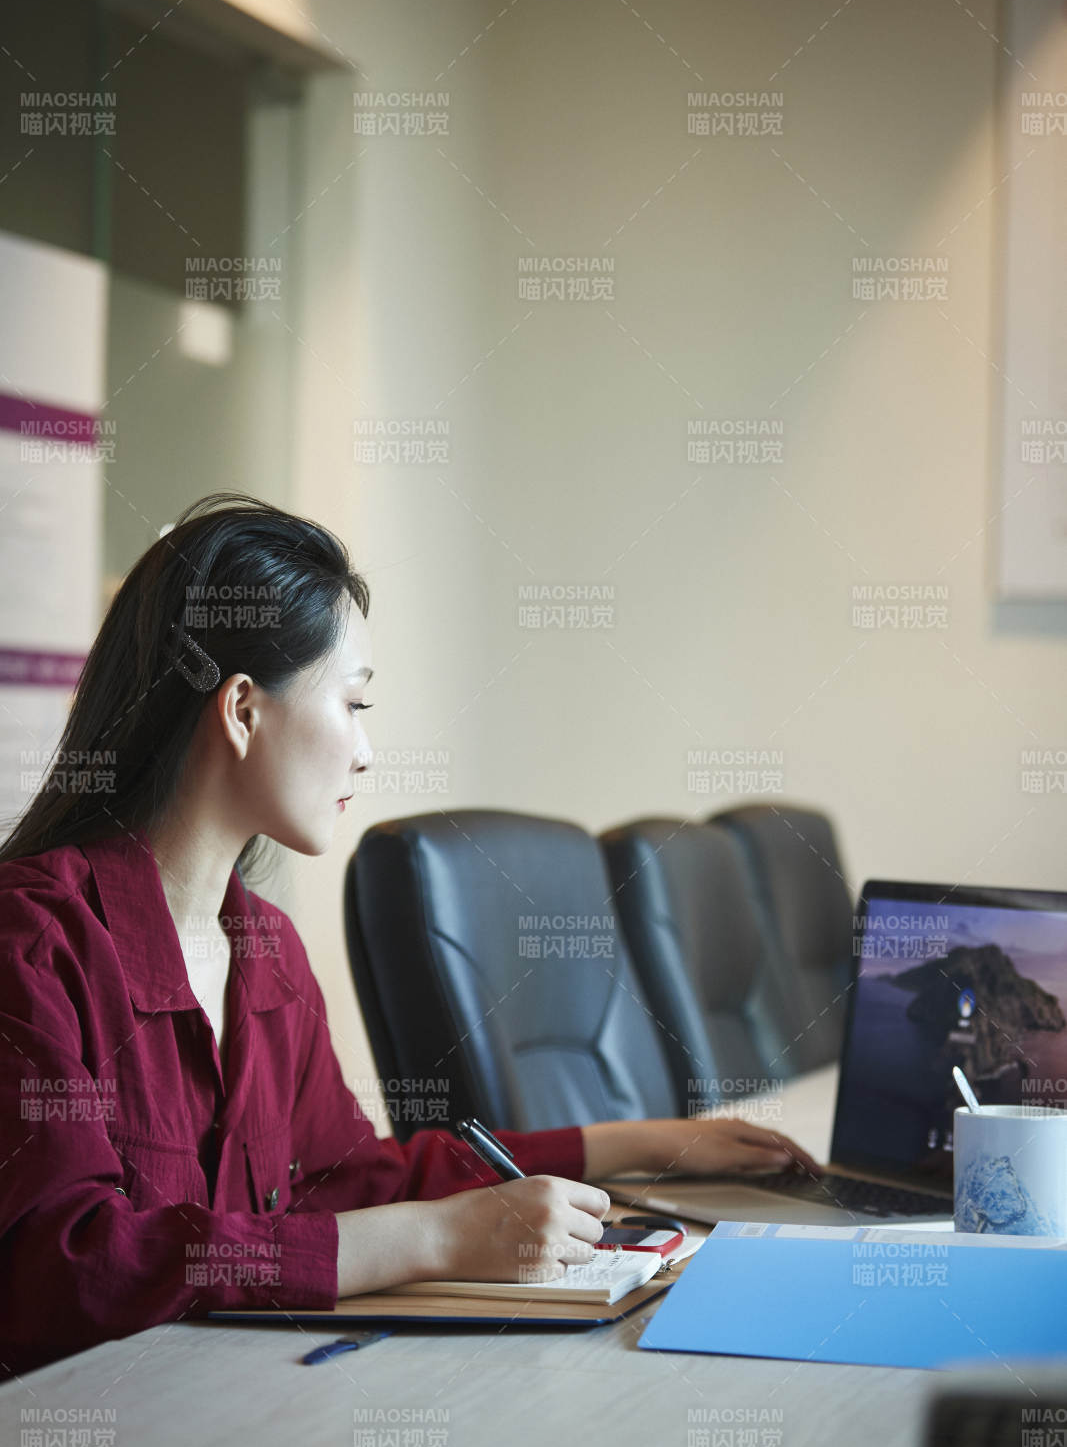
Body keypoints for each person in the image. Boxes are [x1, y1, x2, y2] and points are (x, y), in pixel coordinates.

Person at [0, 493, 818, 1379]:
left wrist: (639, 1145)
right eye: (352, 704)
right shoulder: (32, 939)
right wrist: (431, 1237)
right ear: (241, 709)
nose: (365, 752)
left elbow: (351, 1180)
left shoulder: (265, 949)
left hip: (228, 1411)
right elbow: (64, 1263)